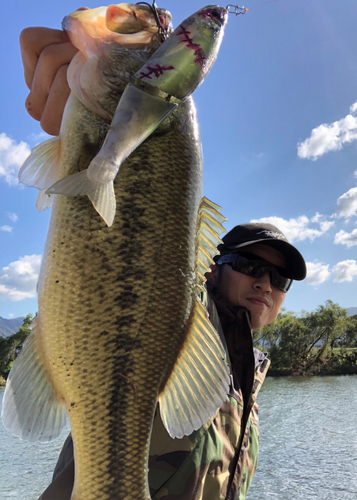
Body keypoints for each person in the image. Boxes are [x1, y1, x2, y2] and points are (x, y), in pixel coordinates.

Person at [20, 26, 307, 500]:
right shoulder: (190, 327)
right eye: (251, 266)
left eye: (280, 278)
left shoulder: (247, 375)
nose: (266, 284)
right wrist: (82, 83)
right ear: (212, 268)